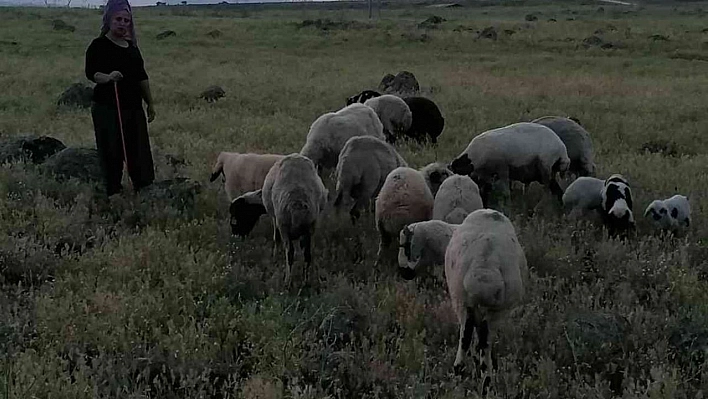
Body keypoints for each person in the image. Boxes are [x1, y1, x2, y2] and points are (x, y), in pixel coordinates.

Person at [85, 0, 155, 196]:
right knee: (111, 151)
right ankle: (113, 191)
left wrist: (150, 104)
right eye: (118, 19)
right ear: (108, 20)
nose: (123, 23)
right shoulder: (98, 46)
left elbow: (142, 77)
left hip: (133, 107)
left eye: (126, 20)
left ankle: (144, 189)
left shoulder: (132, 48)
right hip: (107, 108)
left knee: (139, 151)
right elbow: (92, 73)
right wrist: (108, 78)